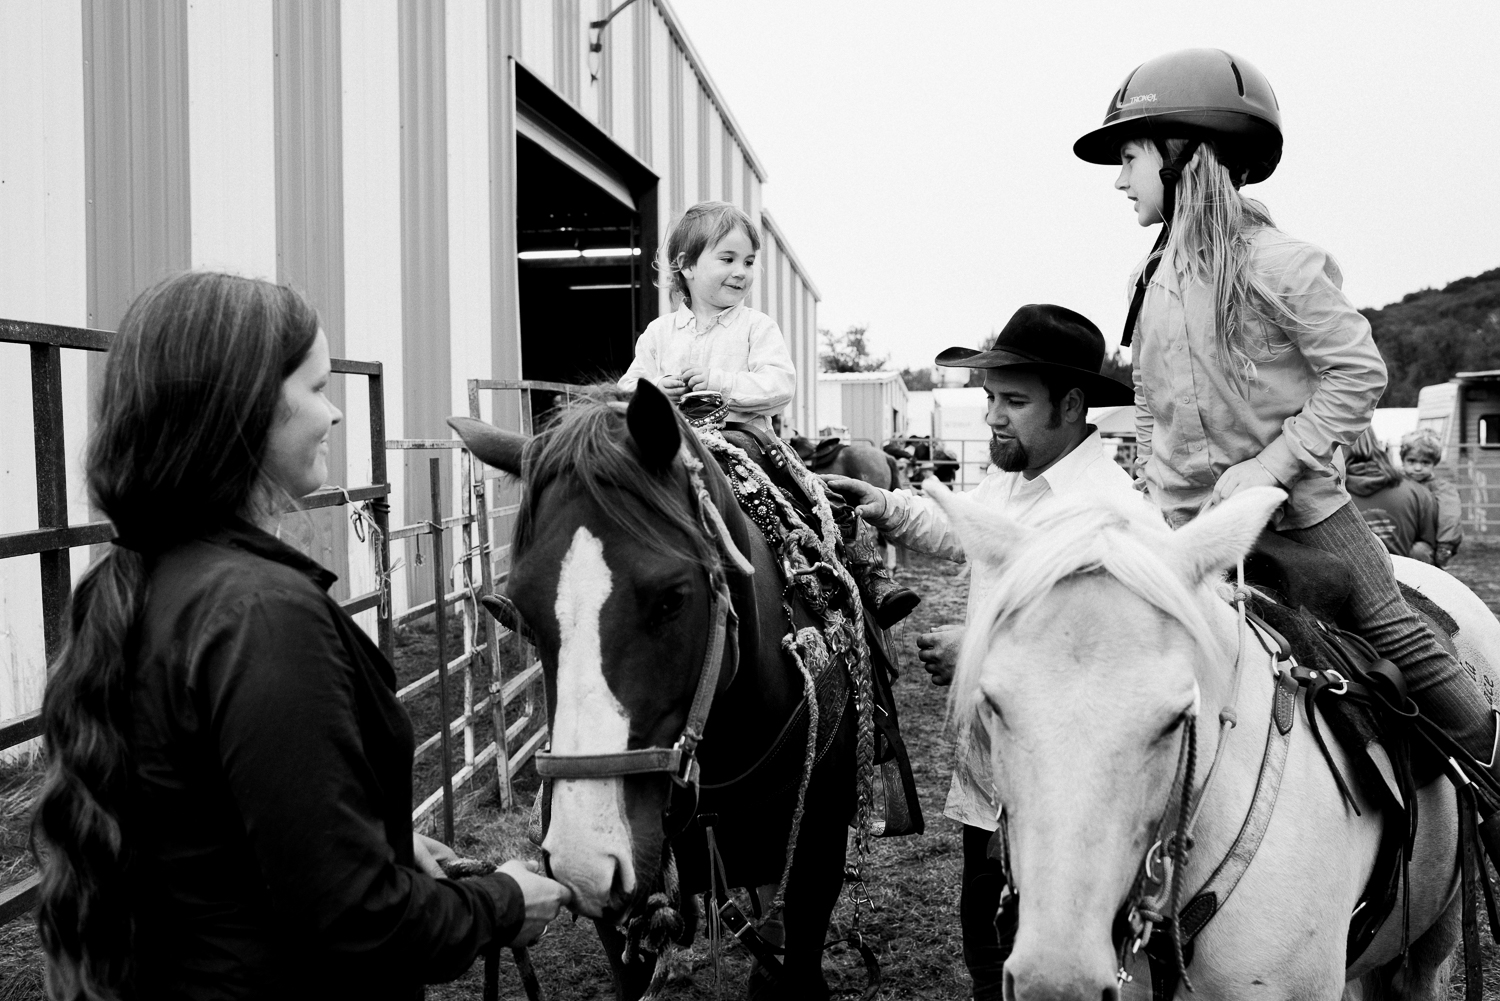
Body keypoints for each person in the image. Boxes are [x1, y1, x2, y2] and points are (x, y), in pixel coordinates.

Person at [32, 272, 571, 1001]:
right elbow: (352, 921)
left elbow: (214, 822)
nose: (336, 413)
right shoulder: (263, 614)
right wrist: (501, 904)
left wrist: (380, 839)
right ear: (244, 408)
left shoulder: (137, 580)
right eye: (317, 387)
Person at [1074, 48, 1500, 860]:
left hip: (1304, 517)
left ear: (1183, 152)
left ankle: (1496, 786)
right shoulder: (1149, 276)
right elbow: (1152, 409)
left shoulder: (1283, 264)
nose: (1119, 178)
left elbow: (1358, 372)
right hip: (1189, 529)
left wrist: (1268, 468)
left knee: (1403, 634)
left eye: (1129, 156)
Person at [824, 304, 1138, 1001]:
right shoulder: (1015, 479)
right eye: (990, 397)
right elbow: (957, 527)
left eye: (1015, 400)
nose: (993, 415)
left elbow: (1105, 651)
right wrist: (879, 500)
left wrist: (983, 644)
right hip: (992, 782)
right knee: (986, 953)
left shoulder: (1106, 507)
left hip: (1064, 797)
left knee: (1060, 964)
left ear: (1072, 404)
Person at [620, 201, 918, 626]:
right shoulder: (659, 334)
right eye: (727, 259)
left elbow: (780, 386)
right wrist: (653, 391)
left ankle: (869, 576)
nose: (742, 271)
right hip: (678, 448)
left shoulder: (756, 327)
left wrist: (717, 380)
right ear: (685, 266)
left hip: (748, 446)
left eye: (749, 261)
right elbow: (627, 388)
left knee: (817, 499)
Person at [1346, 429, 1438, 562]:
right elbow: (1429, 548)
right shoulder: (1420, 493)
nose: (1418, 468)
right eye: (1412, 461)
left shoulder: (1323, 497)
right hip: (1405, 579)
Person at [1402, 429, 1464, 566]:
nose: (1418, 468)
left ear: (1434, 463)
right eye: (1411, 461)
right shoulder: (1397, 484)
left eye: (1425, 463)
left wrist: (1445, 546)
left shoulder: (1441, 488)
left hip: (1426, 545)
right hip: (1398, 541)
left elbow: (1450, 516)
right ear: (1403, 460)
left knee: (1419, 553)